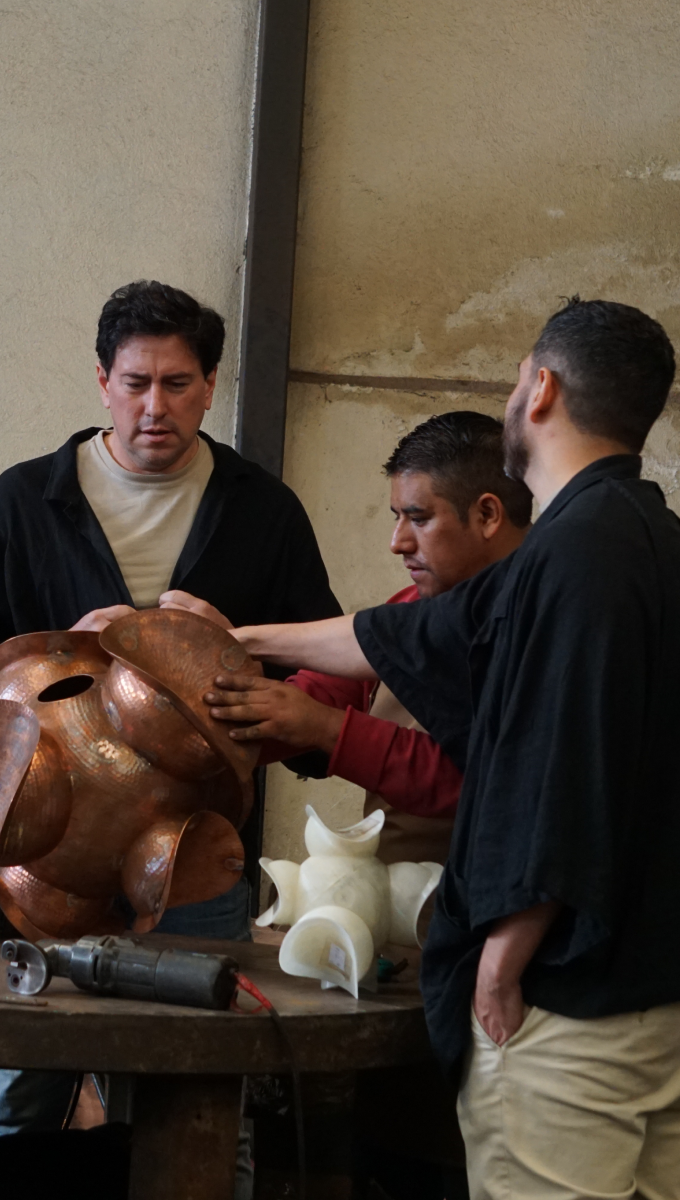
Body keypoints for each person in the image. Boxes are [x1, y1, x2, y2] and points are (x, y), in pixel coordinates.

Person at [214, 299, 680, 1199]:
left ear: (540, 389)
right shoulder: (644, 540)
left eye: (515, 380)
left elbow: (563, 775)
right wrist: (234, 637)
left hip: (563, 1009)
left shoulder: (570, 562)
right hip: (654, 999)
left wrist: (503, 956)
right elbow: (396, 635)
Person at [0, 280, 341, 1187]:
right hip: (53, 848)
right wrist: (60, 659)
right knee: (25, 1091)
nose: (155, 407)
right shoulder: (25, 501)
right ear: (101, 381)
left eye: (179, 383)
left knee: (191, 1089)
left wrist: (228, 658)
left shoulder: (261, 509)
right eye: (135, 382)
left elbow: (321, 677)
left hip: (199, 852)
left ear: (209, 386)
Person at [180, 410, 531, 866]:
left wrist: (321, 727)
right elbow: (326, 689)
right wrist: (208, 710)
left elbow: (471, 781)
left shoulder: (539, 626)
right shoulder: (409, 604)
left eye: (419, 519)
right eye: (397, 517)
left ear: (487, 514)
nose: (397, 541)